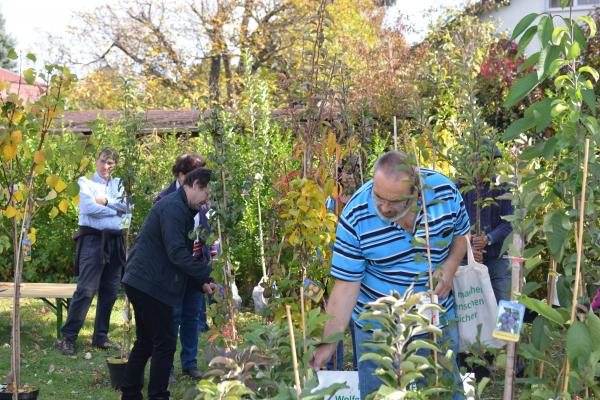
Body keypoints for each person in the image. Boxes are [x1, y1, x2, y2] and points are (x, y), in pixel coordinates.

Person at [310, 151, 469, 400]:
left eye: (394, 201)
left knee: (445, 391)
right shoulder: (356, 215)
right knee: (379, 394)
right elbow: (345, 288)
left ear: (416, 191)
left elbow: (461, 234)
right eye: (378, 196)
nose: (384, 207)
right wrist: (328, 343)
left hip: (435, 320)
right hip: (379, 329)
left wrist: (449, 267)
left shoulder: (444, 194)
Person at [120, 167, 215, 400]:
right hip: (149, 283)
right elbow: (177, 254)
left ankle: (130, 394)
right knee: (164, 342)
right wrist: (206, 274)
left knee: (146, 341)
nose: (206, 203)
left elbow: (177, 257)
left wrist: (199, 284)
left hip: (141, 280)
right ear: (195, 185)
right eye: (206, 195)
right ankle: (158, 395)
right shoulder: (174, 207)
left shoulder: (180, 207)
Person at [56, 147, 131, 355]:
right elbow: (89, 209)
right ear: (96, 161)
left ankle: (100, 336)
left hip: (115, 242)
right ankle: (68, 338)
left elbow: (128, 210)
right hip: (92, 240)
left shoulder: (119, 184)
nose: (106, 166)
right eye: (103, 161)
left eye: (111, 163)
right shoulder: (85, 183)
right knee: (86, 290)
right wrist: (116, 212)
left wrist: (107, 203)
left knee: (110, 291)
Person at [154, 153, 211, 381]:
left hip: (195, 267)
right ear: (181, 175)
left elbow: (206, 229)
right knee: (172, 317)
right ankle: (166, 369)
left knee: (192, 315)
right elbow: (170, 245)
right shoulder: (165, 199)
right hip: (175, 269)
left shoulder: (203, 198)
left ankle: (189, 363)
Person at [460, 175, 513, 303]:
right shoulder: (460, 186)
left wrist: (488, 238)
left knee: (506, 304)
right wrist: (469, 246)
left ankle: (510, 323)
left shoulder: (502, 186)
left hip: (497, 259)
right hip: (467, 259)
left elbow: (510, 222)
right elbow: (453, 222)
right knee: (468, 308)